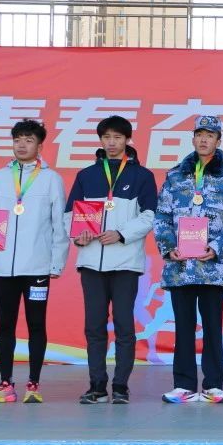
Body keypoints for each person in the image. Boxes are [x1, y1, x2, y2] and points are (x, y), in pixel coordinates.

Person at [154, 114, 223, 404]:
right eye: (199, 134)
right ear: (193, 138)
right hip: (181, 266)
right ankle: (183, 385)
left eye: (210, 135)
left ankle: (213, 385)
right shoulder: (174, 176)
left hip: (213, 267)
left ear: (219, 140)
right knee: (183, 328)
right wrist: (168, 247)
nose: (204, 139)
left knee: (212, 327)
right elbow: (162, 216)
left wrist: (217, 247)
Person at [66, 115, 158, 405]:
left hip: (126, 262)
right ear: (100, 140)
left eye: (117, 137)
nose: (112, 142)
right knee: (94, 326)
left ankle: (121, 386)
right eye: (106, 137)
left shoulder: (142, 176)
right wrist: (79, 234)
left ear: (127, 140)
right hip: (91, 262)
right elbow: (71, 214)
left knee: (123, 326)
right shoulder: (86, 175)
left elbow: (150, 215)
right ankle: (97, 386)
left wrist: (121, 234)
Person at [0, 119, 69, 404]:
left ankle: (34, 384)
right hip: (3, 266)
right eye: (17, 139)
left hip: (37, 267)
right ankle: (5, 384)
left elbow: (60, 224)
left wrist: (56, 264)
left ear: (40, 146)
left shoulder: (51, 179)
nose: (21, 145)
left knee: (36, 325)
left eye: (28, 140)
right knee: (5, 325)